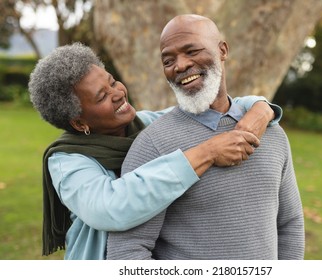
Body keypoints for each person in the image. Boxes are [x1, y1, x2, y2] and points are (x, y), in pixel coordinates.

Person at [28, 42, 282, 260]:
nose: (117, 93)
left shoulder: (149, 125)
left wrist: (260, 107)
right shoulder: (68, 162)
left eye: (113, 81)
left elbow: (210, 109)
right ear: (79, 123)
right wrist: (207, 153)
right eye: (101, 97)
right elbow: (112, 207)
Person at [107, 14, 304, 260]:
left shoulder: (272, 133)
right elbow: (126, 251)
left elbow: (290, 224)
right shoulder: (152, 145)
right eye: (168, 60)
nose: (180, 65)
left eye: (191, 51)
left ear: (222, 50)